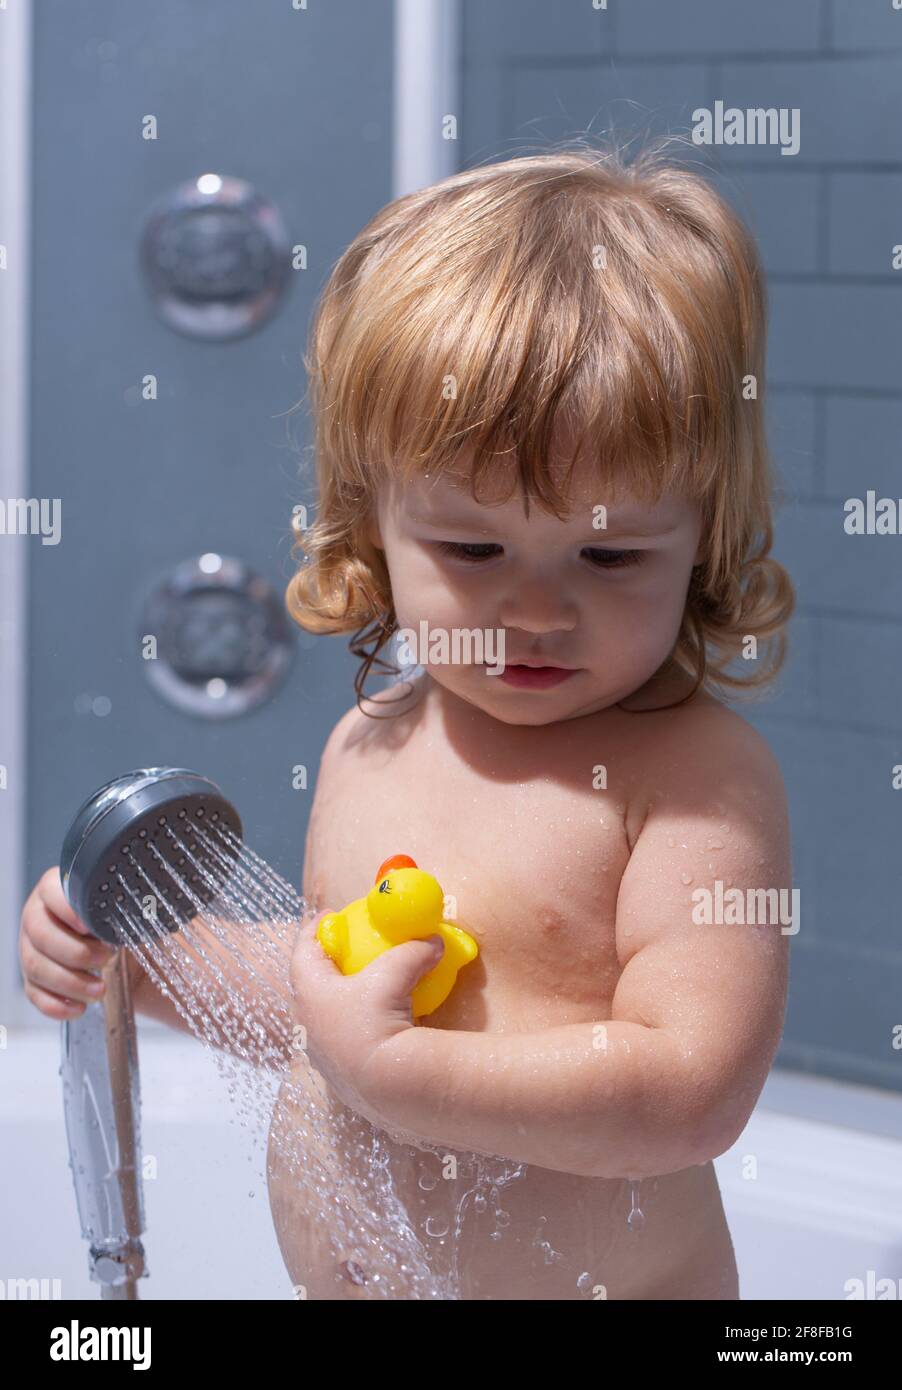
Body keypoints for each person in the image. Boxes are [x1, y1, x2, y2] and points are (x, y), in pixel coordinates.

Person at [20, 142, 794, 1300]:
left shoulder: (688, 781)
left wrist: (401, 1076)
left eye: (610, 552)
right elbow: (328, 995)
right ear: (369, 523)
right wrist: (141, 961)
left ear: (705, 537)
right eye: (473, 548)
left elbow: (687, 1091)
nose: (534, 608)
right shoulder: (373, 739)